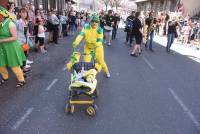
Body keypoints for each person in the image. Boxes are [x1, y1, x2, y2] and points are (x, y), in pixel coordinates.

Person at [0, 6, 26, 88]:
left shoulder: (10, 23)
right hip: (2, 48)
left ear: (2, 15)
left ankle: (21, 80)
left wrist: (1, 41)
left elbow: (15, 37)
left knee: (14, 64)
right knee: (1, 64)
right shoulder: (1, 23)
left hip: (11, 47)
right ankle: (5, 77)